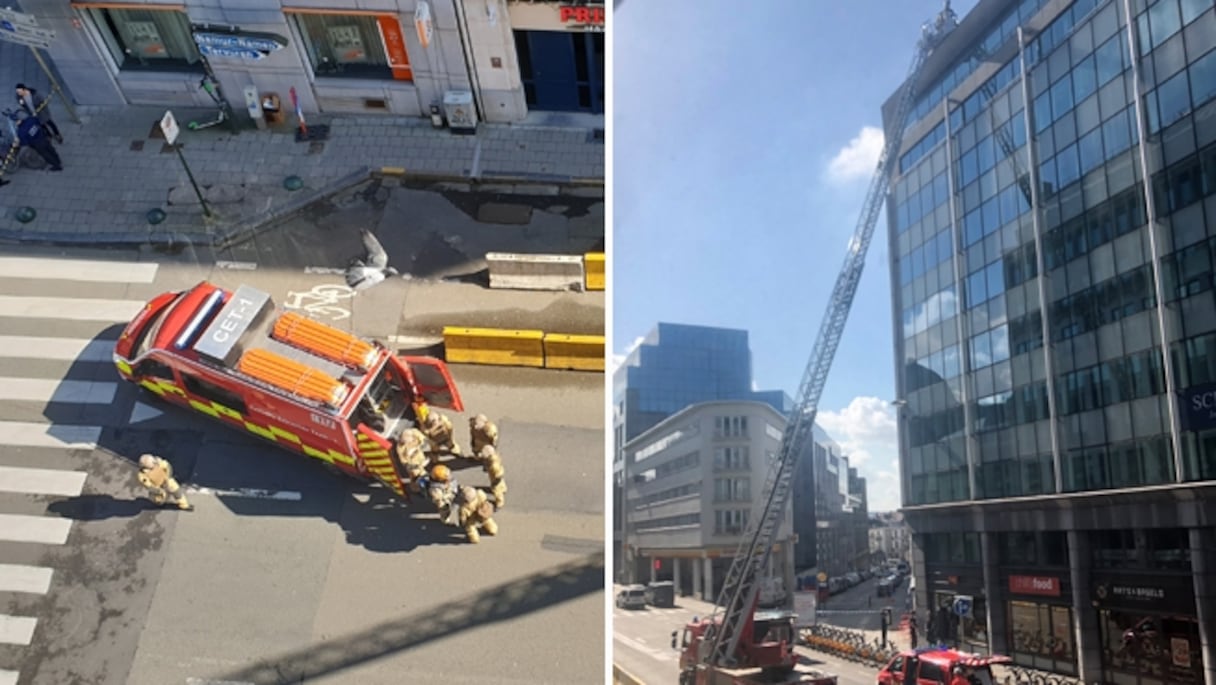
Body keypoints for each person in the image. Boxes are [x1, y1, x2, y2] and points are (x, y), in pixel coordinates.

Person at [394, 428, 429, 493]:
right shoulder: (400, 448)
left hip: (421, 459)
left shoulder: (415, 432)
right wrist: (419, 466)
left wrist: (419, 446)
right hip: (414, 467)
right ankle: (415, 488)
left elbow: (425, 441)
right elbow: (406, 464)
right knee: (415, 477)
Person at [480, 444, 507, 509]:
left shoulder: (494, 466)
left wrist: (495, 483)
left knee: (497, 491)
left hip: (496, 478)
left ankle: (499, 502)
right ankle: (503, 488)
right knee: (501, 484)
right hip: (496, 476)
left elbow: (498, 475)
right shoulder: (495, 457)